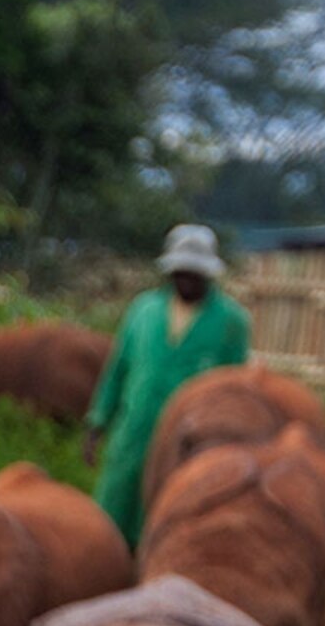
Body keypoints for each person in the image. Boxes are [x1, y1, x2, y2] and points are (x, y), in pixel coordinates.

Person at [85, 223, 255, 548]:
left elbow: (233, 389)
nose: (186, 280)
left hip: (188, 442)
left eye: (194, 273)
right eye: (180, 272)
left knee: (169, 523)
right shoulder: (144, 310)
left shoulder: (231, 321)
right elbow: (118, 369)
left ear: (209, 275)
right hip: (134, 433)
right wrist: (98, 422)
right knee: (111, 520)